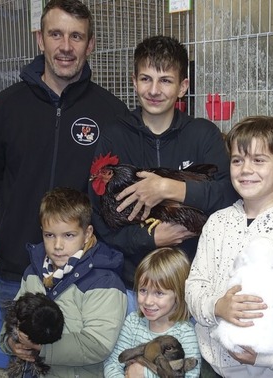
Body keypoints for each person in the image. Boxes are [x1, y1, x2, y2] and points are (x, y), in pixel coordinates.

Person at [0, 0, 130, 316]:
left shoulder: (112, 113)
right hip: (16, 270)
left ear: (90, 45)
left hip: (87, 274)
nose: (66, 46)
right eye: (56, 34)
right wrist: (16, 209)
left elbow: (119, 188)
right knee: (25, 360)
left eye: (77, 36)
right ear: (40, 39)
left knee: (85, 362)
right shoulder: (6, 107)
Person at [89, 35, 238, 309]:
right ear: (134, 81)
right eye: (146, 79)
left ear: (183, 87)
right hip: (135, 287)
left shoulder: (203, 134)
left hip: (195, 286)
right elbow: (99, 216)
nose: (154, 90)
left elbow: (228, 194)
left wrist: (168, 188)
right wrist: (150, 238)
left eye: (165, 80)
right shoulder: (115, 137)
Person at [185, 116, 273, 378]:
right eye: (237, 160)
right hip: (214, 368)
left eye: (258, 160)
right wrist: (217, 306)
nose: (245, 169)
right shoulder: (217, 223)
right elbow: (195, 285)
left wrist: (266, 355)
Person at [0, 187, 127, 378]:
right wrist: (11, 342)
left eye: (69, 235)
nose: (57, 246)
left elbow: (97, 344)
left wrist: (41, 347)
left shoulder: (104, 282)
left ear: (87, 233)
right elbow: (13, 317)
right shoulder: (33, 273)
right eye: (50, 235)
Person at [104, 247, 201, 378]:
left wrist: (145, 374)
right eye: (143, 290)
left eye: (159, 293)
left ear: (178, 294)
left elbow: (191, 375)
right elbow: (113, 364)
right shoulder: (133, 322)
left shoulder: (185, 332)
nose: (148, 301)